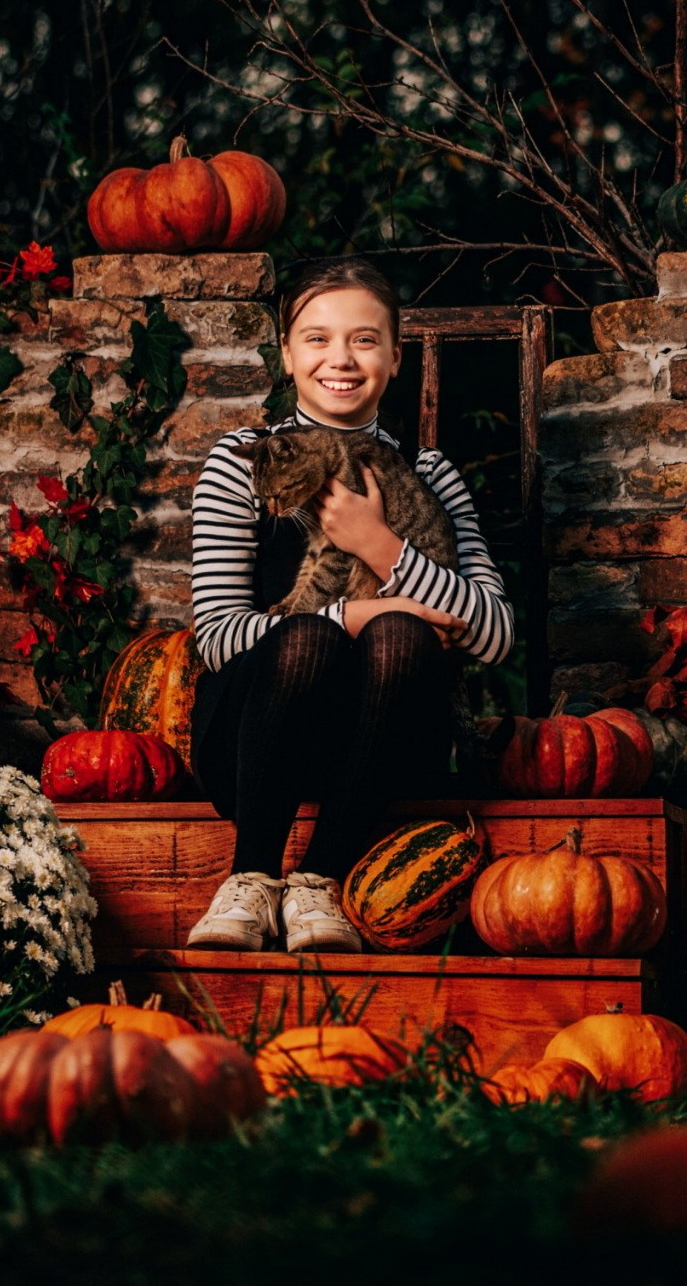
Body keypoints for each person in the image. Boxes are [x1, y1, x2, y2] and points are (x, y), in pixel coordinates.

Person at [182, 258, 514, 951]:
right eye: (317, 338)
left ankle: (320, 878)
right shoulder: (243, 462)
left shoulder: (430, 471)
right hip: (255, 743)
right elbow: (215, 638)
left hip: (383, 751)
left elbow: (493, 634)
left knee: (399, 634)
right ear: (287, 354)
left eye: (365, 339)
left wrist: (379, 545)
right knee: (313, 637)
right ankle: (250, 876)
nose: (341, 358)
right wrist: (345, 617)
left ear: (395, 357)